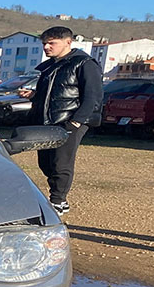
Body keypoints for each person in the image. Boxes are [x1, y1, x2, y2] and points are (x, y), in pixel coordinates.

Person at [18, 26, 104, 215]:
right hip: (46, 122)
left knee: (61, 162)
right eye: (44, 43)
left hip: (69, 121)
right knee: (45, 162)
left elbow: (93, 95)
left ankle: (58, 200)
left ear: (68, 42)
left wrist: (77, 121)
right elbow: (52, 94)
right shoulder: (49, 67)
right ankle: (59, 198)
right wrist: (33, 95)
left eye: (52, 43)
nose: (47, 47)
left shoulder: (84, 64)